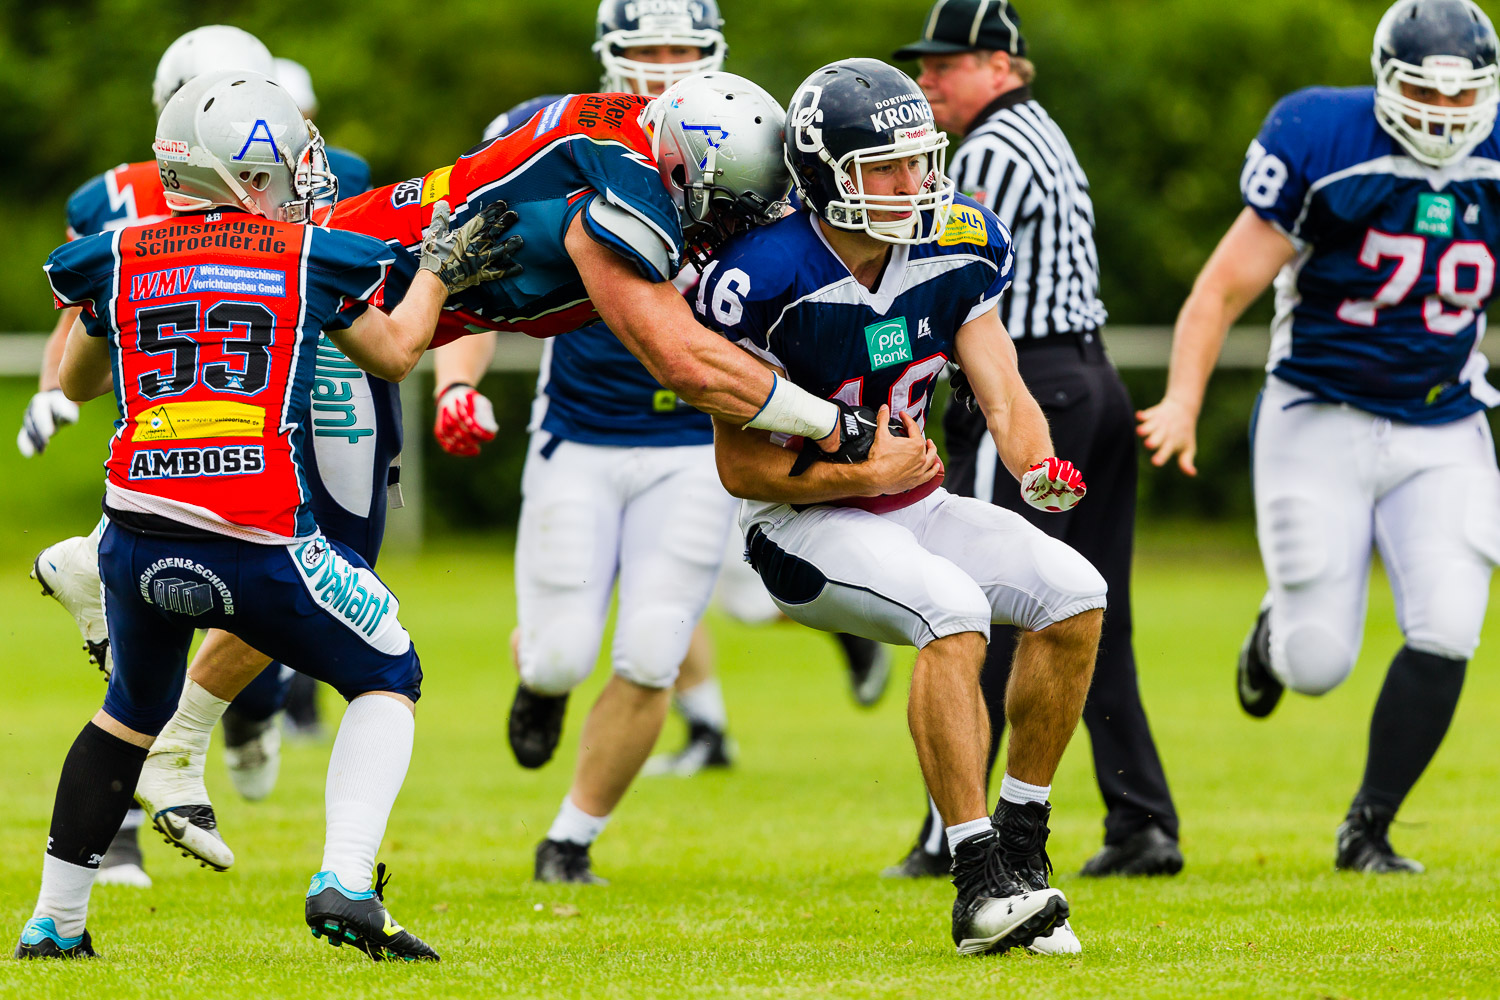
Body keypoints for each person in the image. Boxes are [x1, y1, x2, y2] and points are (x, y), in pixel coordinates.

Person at [131, 71, 860, 873]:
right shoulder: (616, 195)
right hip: (345, 313)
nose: (735, 225)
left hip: (356, 307)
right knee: (323, 557)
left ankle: (168, 716)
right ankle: (153, 679)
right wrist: (831, 422)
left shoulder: (631, 135)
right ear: (687, 169)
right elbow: (682, 359)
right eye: (730, 205)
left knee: (301, 549)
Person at [15, 69, 517, 960]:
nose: (300, 180)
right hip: (255, 532)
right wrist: (438, 271)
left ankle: (54, 924)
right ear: (245, 175)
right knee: (388, 675)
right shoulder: (308, 254)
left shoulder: (120, 250)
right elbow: (398, 354)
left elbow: (80, 379)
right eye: (284, 166)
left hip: (136, 526)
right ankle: (347, 883)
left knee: (129, 713)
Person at [701, 58, 1106, 956]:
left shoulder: (957, 243)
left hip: (916, 502)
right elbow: (741, 468)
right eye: (884, 167)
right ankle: (975, 882)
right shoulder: (763, 277)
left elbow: (1002, 391)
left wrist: (1036, 464)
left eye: (920, 160)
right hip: (803, 526)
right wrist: (860, 475)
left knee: (1075, 595)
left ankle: (1025, 851)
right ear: (822, 173)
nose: (912, 183)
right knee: (954, 612)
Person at [17, 22, 386, 888]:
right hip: (261, 427)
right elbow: (389, 331)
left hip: (167, 457)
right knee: (326, 629)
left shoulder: (114, 223)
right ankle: (161, 804)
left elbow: (84, 334)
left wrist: (55, 388)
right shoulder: (134, 211)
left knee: (165, 660)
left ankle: (62, 912)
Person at [1136, 0, 1500, 873]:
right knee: (1316, 661)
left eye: (1465, 98)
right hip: (1319, 412)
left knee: (1451, 622)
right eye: (1424, 92)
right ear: (1386, 82)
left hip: (1445, 417)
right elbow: (1221, 290)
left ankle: (1368, 828)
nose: (1445, 114)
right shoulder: (1325, 139)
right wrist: (1183, 401)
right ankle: (1273, 635)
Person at [884, 0, 1182, 880]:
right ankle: (1140, 818)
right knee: (1090, 609)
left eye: (952, 61)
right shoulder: (1041, 133)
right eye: (928, 63)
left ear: (1004, 66)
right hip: (1092, 382)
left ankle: (957, 833)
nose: (931, 78)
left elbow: (943, 275)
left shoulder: (986, 151)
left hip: (1031, 386)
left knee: (981, 599)